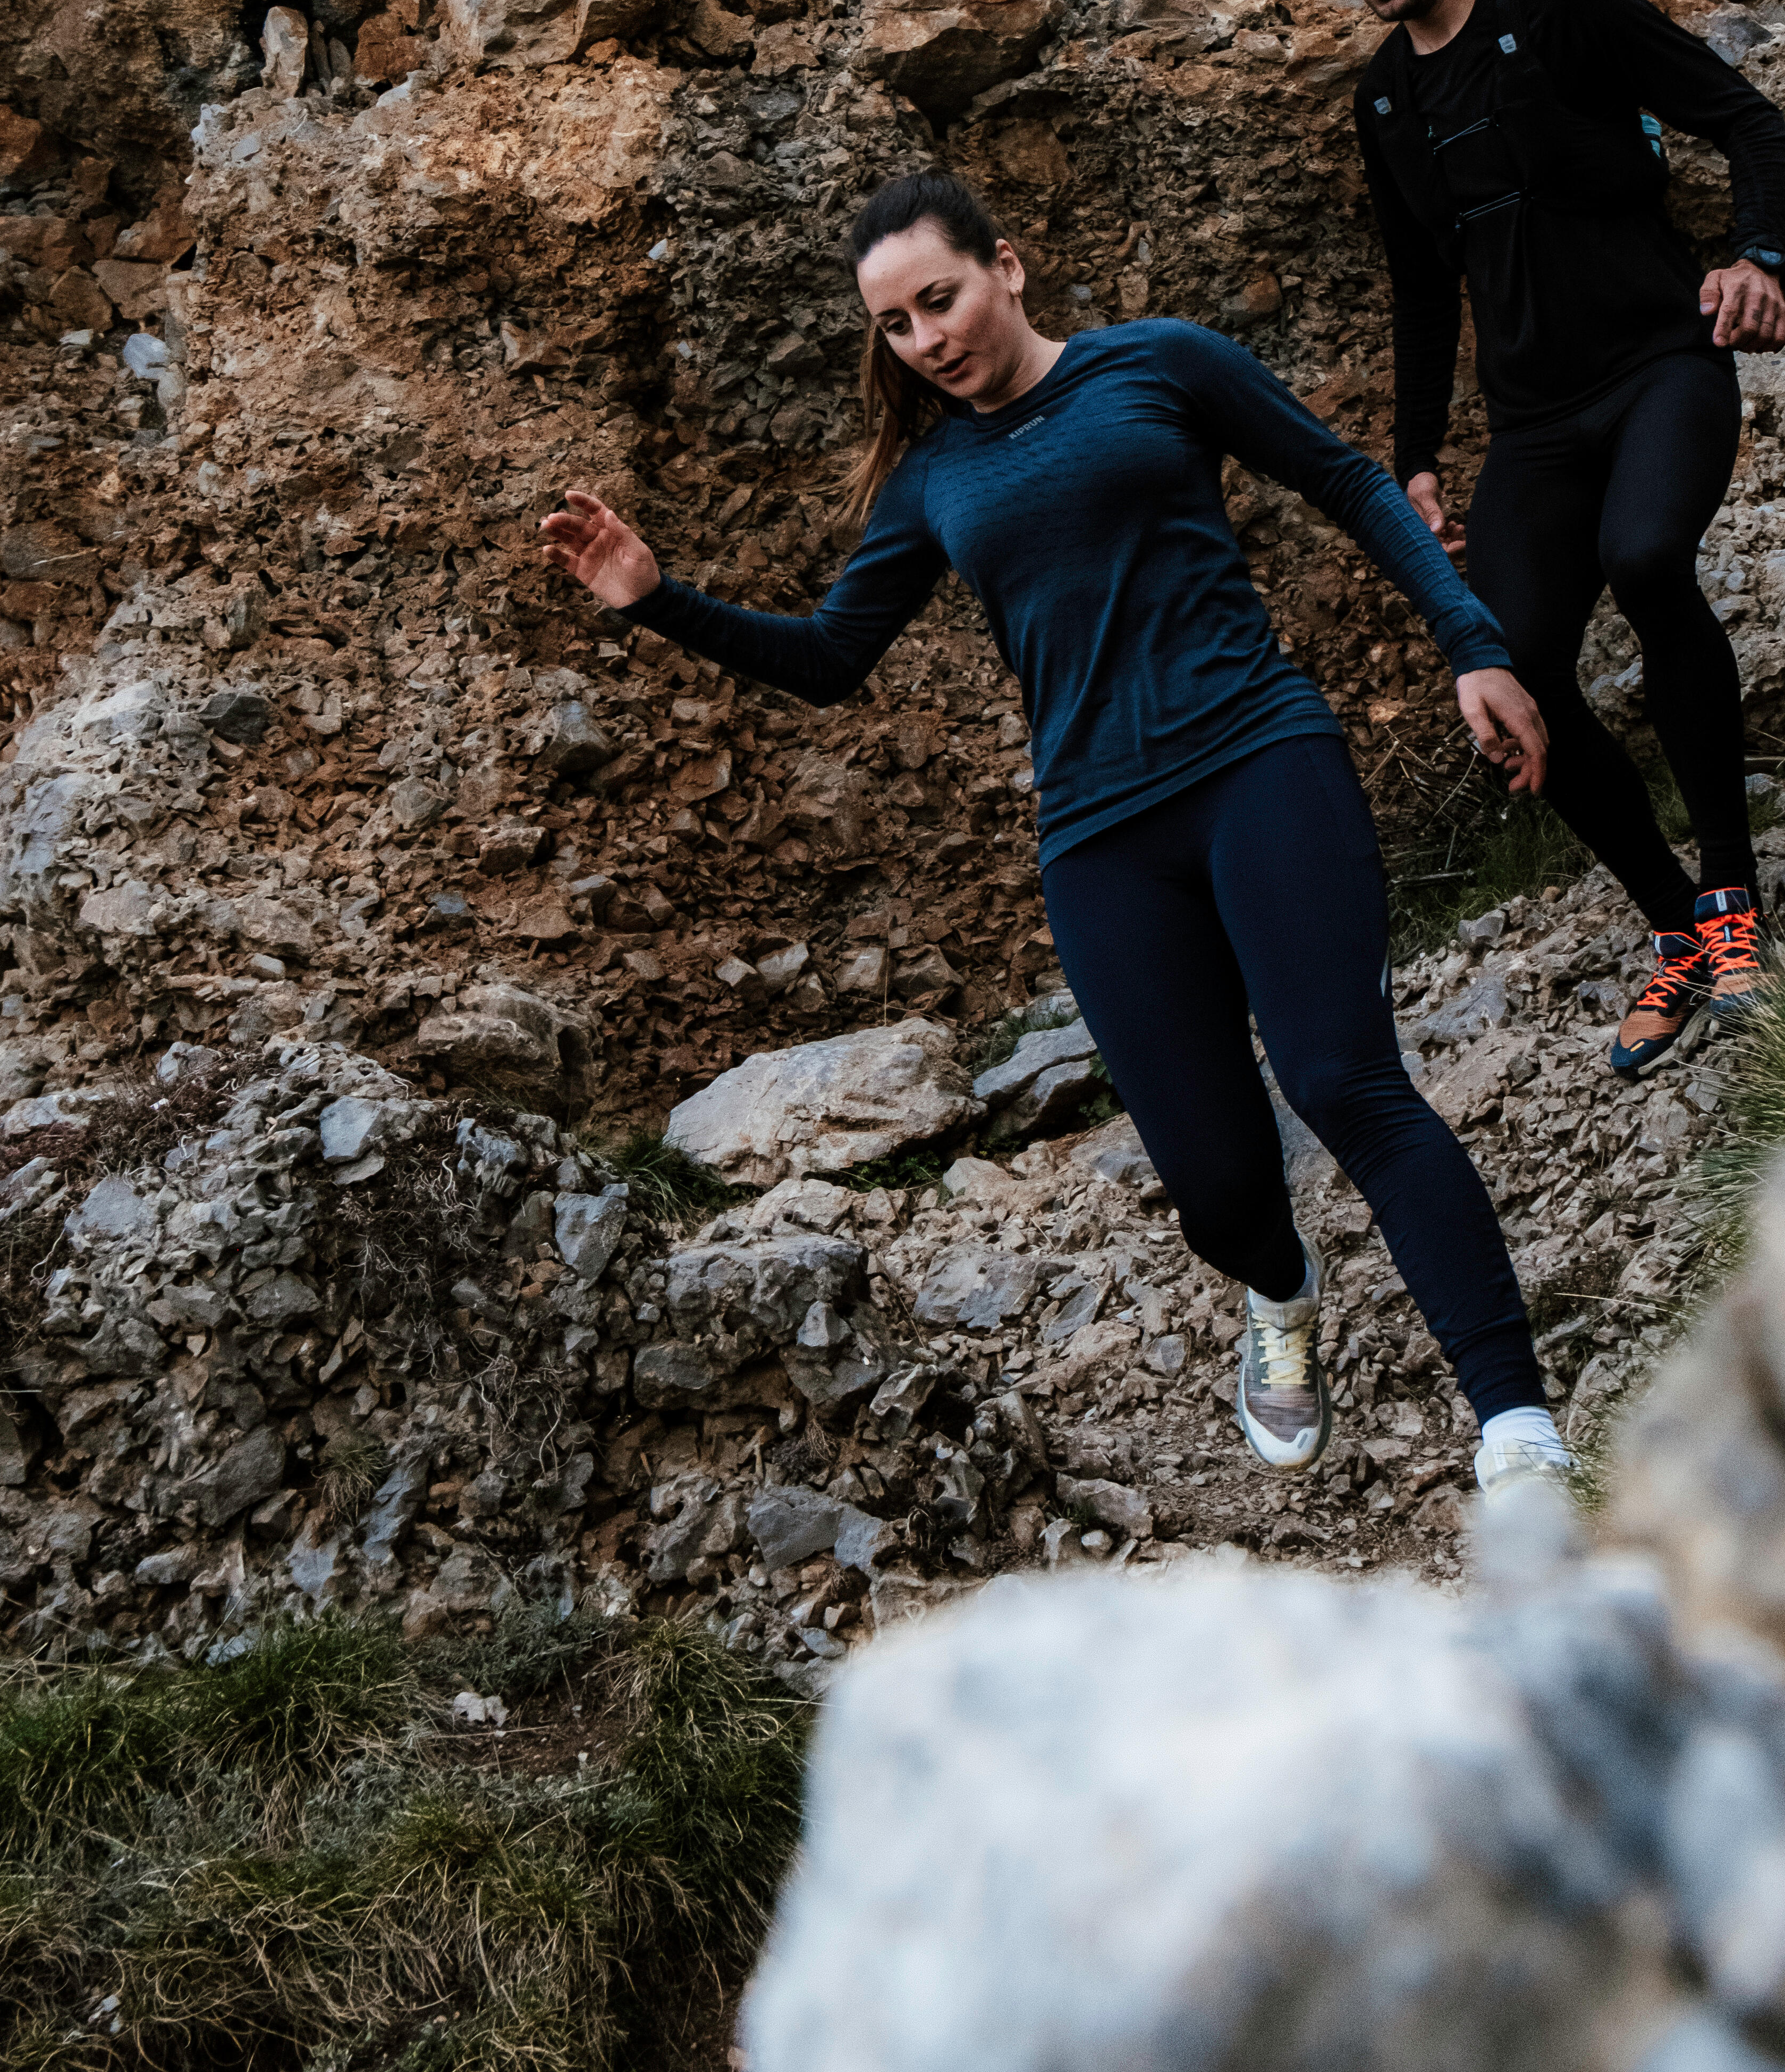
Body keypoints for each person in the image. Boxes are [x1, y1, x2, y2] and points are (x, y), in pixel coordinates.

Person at [540, 167, 1576, 1496]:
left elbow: (1348, 482)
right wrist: (653, 596)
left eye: (941, 299)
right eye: (899, 326)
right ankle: (1280, 1290)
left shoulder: (1161, 366)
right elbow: (828, 660)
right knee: (1213, 1188)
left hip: (1259, 758)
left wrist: (1469, 641)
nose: (928, 340)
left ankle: (1515, 1426)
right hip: (1100, 840)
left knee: (1344, 1084)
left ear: (1006, 269)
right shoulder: (928, 483)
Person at [1299, 0, 1785, 1080]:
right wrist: (1416, 459)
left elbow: (1743, 119)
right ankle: (1676, 931)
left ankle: (1734, 905)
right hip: (1532, 428)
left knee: (1645, 558)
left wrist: (1754, 254)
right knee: (1510, 667)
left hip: (1657, 368)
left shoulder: (1562, 7)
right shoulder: (1384, 101)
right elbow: (1421, 288)